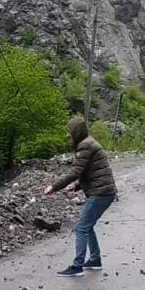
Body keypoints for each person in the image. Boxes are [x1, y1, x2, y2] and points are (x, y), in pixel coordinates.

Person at [43, 117, 118, 277]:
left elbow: (76, 171)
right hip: (104, 191)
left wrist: (54, 186)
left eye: (69, 132)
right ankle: (95, 260)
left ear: (76, 132)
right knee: (87, 226)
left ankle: (77, 266)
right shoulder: (88, 143)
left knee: (81, 227)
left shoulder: (85, 145)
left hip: (101, 193)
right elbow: (91, 171)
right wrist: (76, 186)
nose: (67, 135)